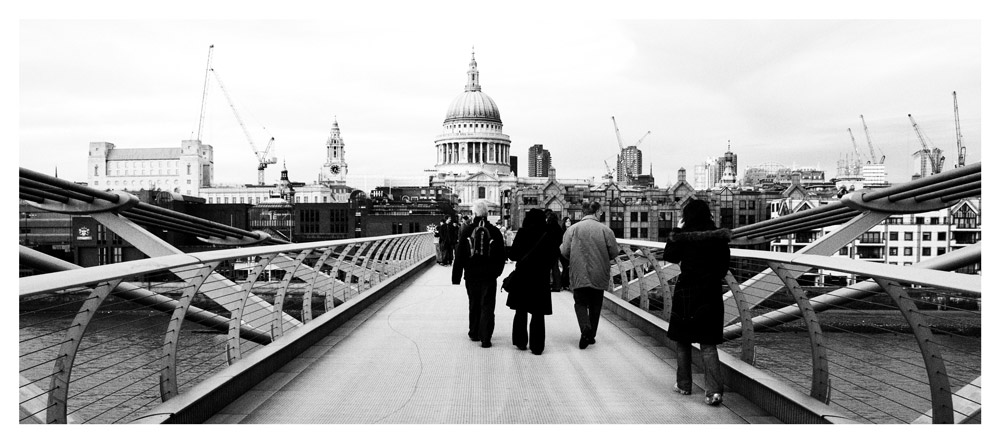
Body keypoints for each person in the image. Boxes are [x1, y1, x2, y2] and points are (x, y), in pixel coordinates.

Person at [662, 199, 731, 407]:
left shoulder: (684, 237)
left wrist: (677, 231)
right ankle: (714, 392)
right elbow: (723, 268)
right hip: (710, 291)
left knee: (683, 340)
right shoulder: (718, 237)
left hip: (686, 292)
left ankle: (684, 384)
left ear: (687, 216)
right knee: (708, 343)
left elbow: (670, 256)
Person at [560, 201, 619, 350]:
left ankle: (585, 327)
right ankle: (591, 334)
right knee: (595, 304)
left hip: (579, 272)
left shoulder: (573, 229)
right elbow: (614, 252)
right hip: (599, 273)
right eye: (601, 211)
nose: (602, 214)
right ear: (596, 211)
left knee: (580, 302)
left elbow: (564, 251)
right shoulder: (606, 230)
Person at [452, 199, 507, 348]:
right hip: (489, 275)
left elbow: (460, 254)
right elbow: (501, 254)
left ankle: (474, 332)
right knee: (488, 305)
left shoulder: (467, 230)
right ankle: (486, 336)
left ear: (474, 213)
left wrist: (456, 276)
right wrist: (497, 272)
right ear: (487, 214)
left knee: (474, 303)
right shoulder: (495, 231)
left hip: (471, 274)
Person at [506, 208, 561, 355]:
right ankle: (537, 346)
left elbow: (512, 255)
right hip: (540, 278)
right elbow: (554, 256)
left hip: (522, 276)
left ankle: (520, 341)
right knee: (538, 313)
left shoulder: (522, 233)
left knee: (521, 309)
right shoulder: (547, 235)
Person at [545, 210, 563, 291]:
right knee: (555, 268)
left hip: (548, 250)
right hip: (556, 250)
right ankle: (557, 285)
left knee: (547, 268)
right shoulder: (558, 227)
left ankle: (548, 284)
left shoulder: (547, 227)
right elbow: (561, 239)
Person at [559, 217, 572, 290]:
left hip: (570, 251)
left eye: (569, 221)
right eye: (567, 221)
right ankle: (564, 284)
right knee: (566, 267)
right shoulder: (562, 231)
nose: (568, 222)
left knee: (568, 268)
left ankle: (566, 284)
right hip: (563, 251)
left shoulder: (572, 230)